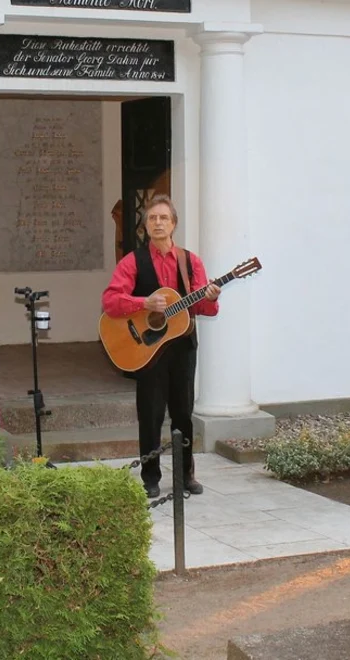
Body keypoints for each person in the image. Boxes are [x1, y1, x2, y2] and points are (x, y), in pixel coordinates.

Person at [101, 194, 220, 497]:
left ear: (173, 224)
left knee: (183, 414)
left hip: (182, 347)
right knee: (150, 415)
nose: (158, 223)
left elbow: (204, 308)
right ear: (145, 225)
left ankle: (185, 475)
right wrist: (143, 303)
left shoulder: (190, 261)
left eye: (163, 218)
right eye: (152, 218)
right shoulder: (133, 261)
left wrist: (210, 297)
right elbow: (110, 301)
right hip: (148, 350)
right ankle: (150, 477)